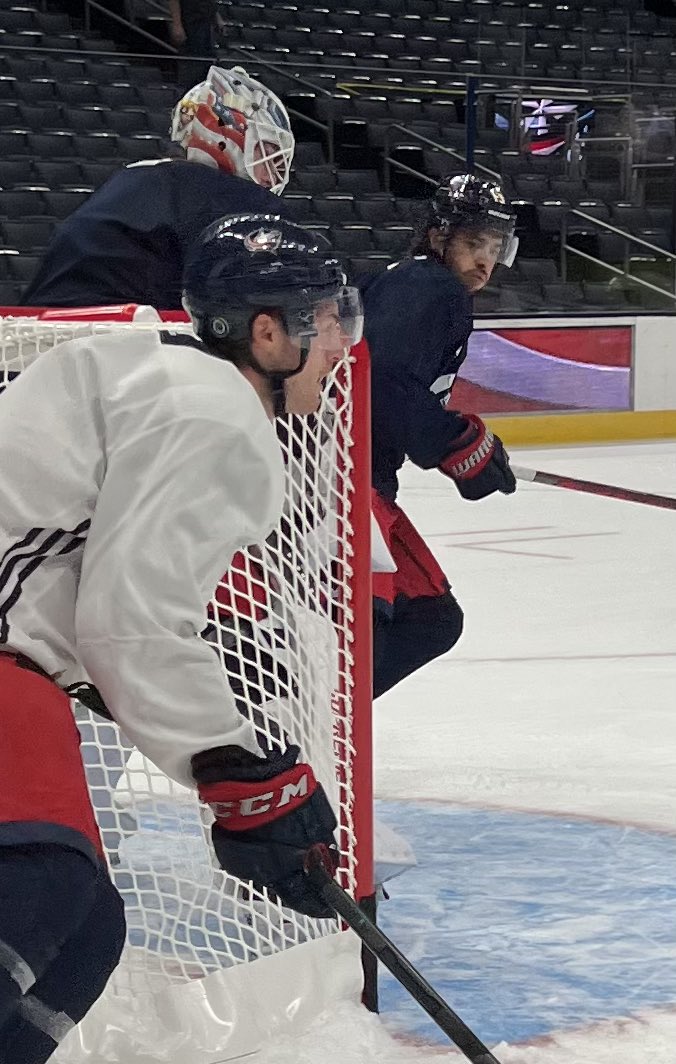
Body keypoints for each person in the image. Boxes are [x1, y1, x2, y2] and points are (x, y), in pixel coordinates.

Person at [0, 213, 363, 1063]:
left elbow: (103, 620)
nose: (342, 344)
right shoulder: (213, 412)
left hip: (17, 669)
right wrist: (235, 767)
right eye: (326, 320)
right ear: (268, 331)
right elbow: (130, 626)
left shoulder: (158, 380)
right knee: (44, 881)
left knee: (87, 927)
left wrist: (232, 768)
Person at [359, 173, 519, 700]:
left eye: (495, 248)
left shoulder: (409, 283)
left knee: (430, 617)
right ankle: (279, 730)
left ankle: (302, 722)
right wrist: (456, 444)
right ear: (437, 236)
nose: (485, 262)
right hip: (343, 483)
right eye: (474, 243)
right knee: (385, 625)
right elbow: (381, 383)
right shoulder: (434, 288)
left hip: (358, 477)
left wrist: (456, 443)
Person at [21, 65, 295, 310]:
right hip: (117, 340)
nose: (274, 174)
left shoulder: (135, 175)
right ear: (226, 139)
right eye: (267, 154)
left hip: (36, 332)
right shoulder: (232, 198)